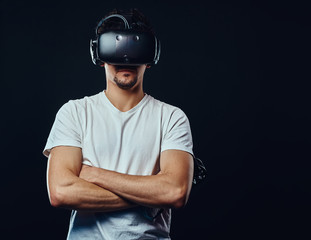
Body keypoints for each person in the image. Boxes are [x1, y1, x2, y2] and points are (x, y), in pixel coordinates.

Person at [43, 8, 194, 239]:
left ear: (152, 55)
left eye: (135, 48)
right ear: (99, 55)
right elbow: (61, 192)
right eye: (115, 46)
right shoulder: (74, 112)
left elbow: (174, 191)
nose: (126, 58)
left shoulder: (172, 118)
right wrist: (149, 196)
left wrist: (94, 174)